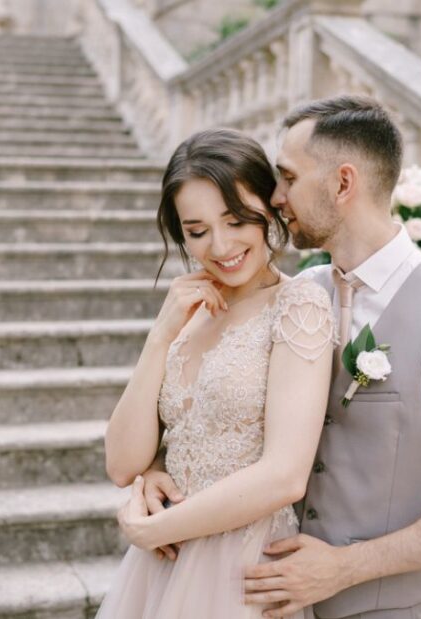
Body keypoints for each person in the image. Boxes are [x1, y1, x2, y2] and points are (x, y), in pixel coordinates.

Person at [138, 96, 421, 619]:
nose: (274, 198)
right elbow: (223, 412)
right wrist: (160, 466)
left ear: (343, 183)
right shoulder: (298, 294)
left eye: (288, 178)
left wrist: (348, 567)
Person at [95, 128, 336, 619]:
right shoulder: (192, 313)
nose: (221, 246)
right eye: (198, 231)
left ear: (267, 210)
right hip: (162, 567)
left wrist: (154, 529)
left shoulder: (298, 305)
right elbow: (122, 463)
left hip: (241, 567)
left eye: (236, 220)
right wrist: (161, 335)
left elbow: (286, 475)